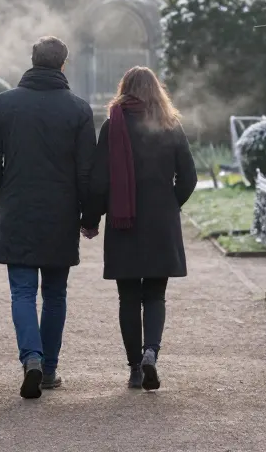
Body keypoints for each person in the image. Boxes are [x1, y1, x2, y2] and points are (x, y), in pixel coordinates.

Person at [0, 36, 96, 399]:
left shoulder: (4, 104)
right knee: (56, 295)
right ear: (64, 65)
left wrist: (5, 200)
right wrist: (87, 216)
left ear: (32, 61)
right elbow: (86, 173)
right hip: (60, 215)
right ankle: (48, 371)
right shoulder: (78, 109)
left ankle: (31, 357)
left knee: (23, 292)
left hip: (18, 210)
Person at [81, 66, 196, 391]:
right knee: (156, 295)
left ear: (124, 89)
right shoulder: (170, 125)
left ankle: (134, 368)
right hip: (160, 224)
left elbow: (100, 181)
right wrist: (171, 205)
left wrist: (90, 219)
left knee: (128, 298)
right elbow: (189, 178)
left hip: (124, 223)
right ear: (157, 90)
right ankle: (151, 353)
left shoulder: (113, 125)